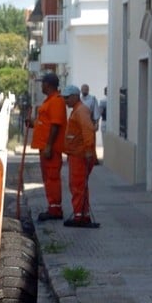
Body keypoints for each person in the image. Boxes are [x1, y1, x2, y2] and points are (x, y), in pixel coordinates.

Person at [26, 72, 67, 221]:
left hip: (51, 149)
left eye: (42, 83)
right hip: (44, 147)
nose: (41, 86)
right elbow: (46, 124)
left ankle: (55, 210)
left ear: (48, 85)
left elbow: (56, 125)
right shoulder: (48, 101)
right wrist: (33, 123)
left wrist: (49, 146)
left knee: (52, 178)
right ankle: (52, 207)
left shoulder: (56, 101)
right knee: (48, 178)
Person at [61, 85, 99, 228]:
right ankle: (83, 215)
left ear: (75, 96)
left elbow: (88, 131)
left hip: (80, 155)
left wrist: (88, 151)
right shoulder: (77, 110)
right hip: (78, 154)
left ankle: (79, 216)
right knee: (80, 186)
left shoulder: (80, 111)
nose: (65, 101)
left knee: (77, 185)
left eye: (67, 98)